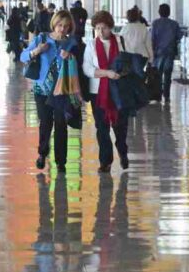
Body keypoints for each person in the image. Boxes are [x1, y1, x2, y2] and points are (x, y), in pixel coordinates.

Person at [21, 10, 81, 173]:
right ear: (54, 24)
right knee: (45, 123)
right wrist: (37, 51)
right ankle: (42, 153)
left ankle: (61, 161)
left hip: (62, 89)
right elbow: (23, 56)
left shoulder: (72, 43)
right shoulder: (42, 38)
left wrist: (70, 56)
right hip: (42, 89)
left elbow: (79, 65)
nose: (62, 29)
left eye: (66, 26)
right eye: (60, 25)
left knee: (61, 124)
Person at [83, 10, 130, 173]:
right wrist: (107, 73)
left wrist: (121, 73)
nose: (100, 31)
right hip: (98, 92)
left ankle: (123, 152)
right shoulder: (91, 45)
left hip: (119, 91)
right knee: (102, 128)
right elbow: (87, 68)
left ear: (110, 27)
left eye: (103, 28)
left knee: (120, 126)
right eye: (97, 28)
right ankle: (106, 161)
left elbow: (129, 63)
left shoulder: (120, 41)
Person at [149, 4, 184, 104]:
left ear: (159, 12)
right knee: (168, 74)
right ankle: (167, 95)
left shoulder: (155, 23)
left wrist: (152, 52)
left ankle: (158, 95)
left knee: (158, 74)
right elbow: (180, 36)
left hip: (158, 53)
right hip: (170, 52)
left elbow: (152, 38)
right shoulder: (174, 24)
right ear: (169, 12)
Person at [119, 7, 153, 71]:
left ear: (128, 18)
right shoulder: (143, 28)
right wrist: (151, 59)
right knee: (138, 74)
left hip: (128, 56)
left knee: (130, 74)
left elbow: (120, 45)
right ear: (138, 17)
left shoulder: (124, 29)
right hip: (142, 56)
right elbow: (148, 45)